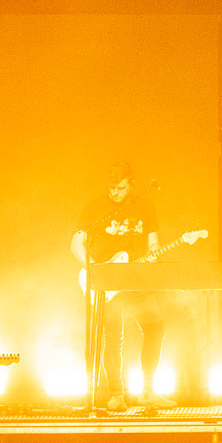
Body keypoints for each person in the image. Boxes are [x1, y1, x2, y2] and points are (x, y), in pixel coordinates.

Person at [72, 161, 175, 411]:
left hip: (137, 283)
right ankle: (116, 395)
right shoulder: (96, 208)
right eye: (111, 188)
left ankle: (148, 392)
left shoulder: (145, 207)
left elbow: (153, 244)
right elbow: (76, 242)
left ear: (132, 184)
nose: (114, 193)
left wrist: (154, 257)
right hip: (107, 285)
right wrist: (94, 268)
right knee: (113, 338)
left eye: (120, 187)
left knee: (155, 327)